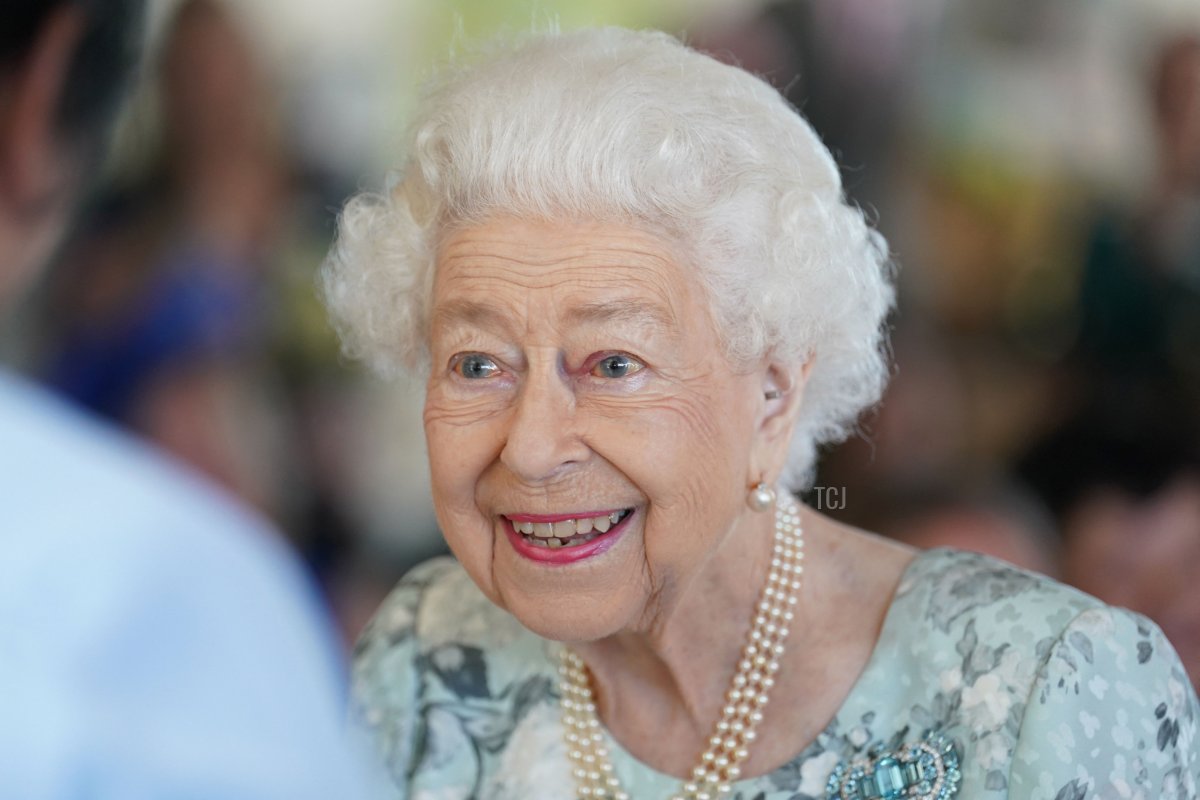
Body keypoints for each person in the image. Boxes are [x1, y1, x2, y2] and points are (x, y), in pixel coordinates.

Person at [326, 28, 1200, 799]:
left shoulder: (1044, 688)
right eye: (478, 364)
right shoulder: (424, 660)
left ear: (773, 397)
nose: (533, 446)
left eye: (615, 364)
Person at [0, 1, 375, 796]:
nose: (210, 90)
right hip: (162, 506)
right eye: (189, 70)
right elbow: (87, 349)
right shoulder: (120, 215)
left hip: (321, 521)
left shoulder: (330, 203)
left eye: (225, 67)